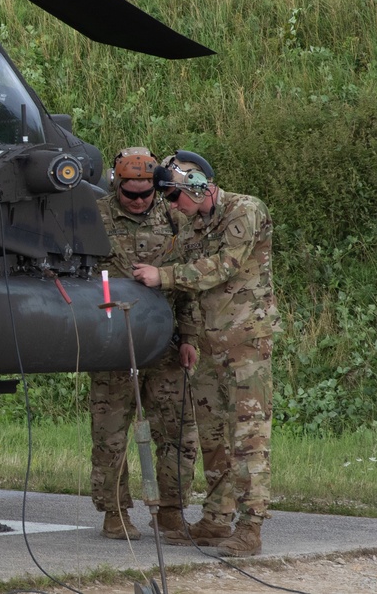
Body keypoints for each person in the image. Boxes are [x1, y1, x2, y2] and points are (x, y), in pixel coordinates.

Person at [133, 150, 281, 557]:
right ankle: (217, 519)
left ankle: (250, 527)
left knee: (249, 436)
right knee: (214, 435)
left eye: (175, 197)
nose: (172, 207)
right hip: (210, 344)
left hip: (245, 342)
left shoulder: (244, 210)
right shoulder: (195, 224)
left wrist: (161, 276)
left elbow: (223, 267)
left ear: (196, 186)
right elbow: (182, 272)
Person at [89, 147, 200, 540]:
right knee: (110, 433)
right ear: (116, 186)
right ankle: (114, 513)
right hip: (113, 344)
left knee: (178, 432)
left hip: (164, 344)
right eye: (129, 193)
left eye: (145, 193)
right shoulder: (95, 218)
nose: (137, 201)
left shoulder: (175, 220)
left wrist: (189, 338)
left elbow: (189, 284)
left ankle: (171, 511)